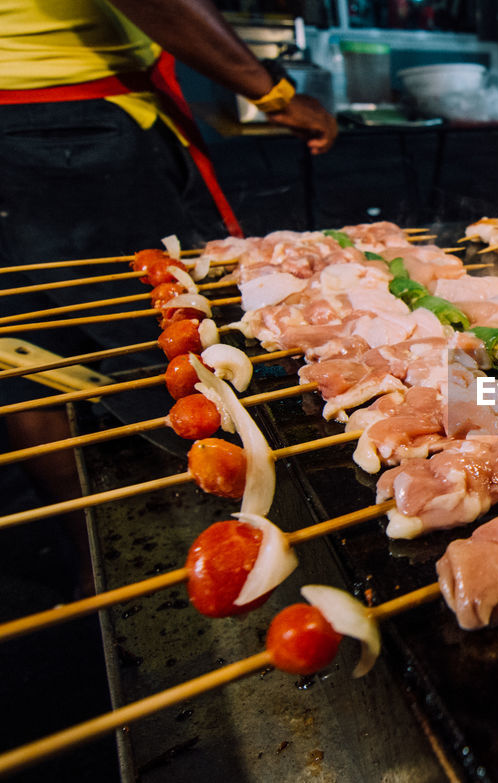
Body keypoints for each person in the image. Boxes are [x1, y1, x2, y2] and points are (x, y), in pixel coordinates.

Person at [0, 0, 339, 599]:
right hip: (65, 126)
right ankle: (204, 539)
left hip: (41, 125)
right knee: (154, 354)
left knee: (31, 351)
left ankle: (95, 556)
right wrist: (277, 94)